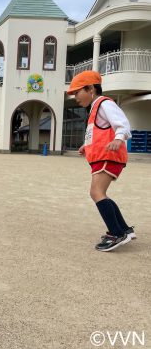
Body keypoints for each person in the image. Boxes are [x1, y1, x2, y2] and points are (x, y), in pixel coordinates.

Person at [67, 70, 134, 252]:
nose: (75, 97)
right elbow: (96, 134)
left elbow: (123, 124)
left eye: (76, 92)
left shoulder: (104, 104)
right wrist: (85, 146)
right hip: (102, 157)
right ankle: (124, 229)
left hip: (109, 156)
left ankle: (116, 233)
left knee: (96, 192)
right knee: (100, 192)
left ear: (90, 89)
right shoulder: (95, 108)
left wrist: (119, 138)